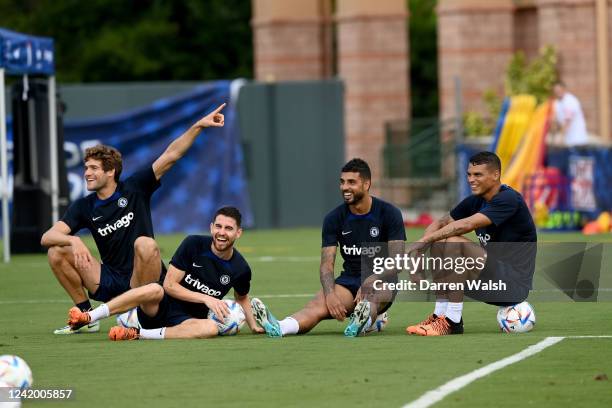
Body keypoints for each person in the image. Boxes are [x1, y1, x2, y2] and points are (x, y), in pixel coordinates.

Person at [41, 103, 226, 334]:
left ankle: (137, 313)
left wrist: (198, 125)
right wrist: (73, 240)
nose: (87, 173)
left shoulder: (135, 188)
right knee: (56, 250)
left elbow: (172, 155)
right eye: (86, 168)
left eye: (93, 168)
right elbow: (47, 237)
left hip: (145, 280)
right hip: (109, 278)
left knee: (145, 243)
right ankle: (85, 316)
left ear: (110, 172)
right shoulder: (84, 206)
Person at [251, 158, 406, 337]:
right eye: (342, 182)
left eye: (351, 182)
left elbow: (398, 261)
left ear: (366, 184)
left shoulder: (389, 213)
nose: (345, 187)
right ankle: (280, 327)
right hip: (349, 281)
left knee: (371, 298)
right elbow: (327, 264)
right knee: (317, 305)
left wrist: (371, 279)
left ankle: (364, 319)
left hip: (382, 279)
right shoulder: (334, 218)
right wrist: (330, 293)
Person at [66, 206, 264, 340]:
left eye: (228, 228)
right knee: (154, 288)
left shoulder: (241, 268)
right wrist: (206, 298)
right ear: (211, 227)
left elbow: (242, 297)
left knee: (210, 329)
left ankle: (137, 334)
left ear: (238, 233)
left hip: (186, 321)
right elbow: (169, 285)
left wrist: (253, 325)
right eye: (218, 226)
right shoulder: (193, 244)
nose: (222, 232)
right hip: (159, 307)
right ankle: (89, 317)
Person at [404, 151, 537, 336]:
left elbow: (466, 225)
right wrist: (419, 251)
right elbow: (441, 223)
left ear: (495, 175)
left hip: (513, 287)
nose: (471, 179)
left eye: (478, 175)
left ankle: (452, 322)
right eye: (469, 174)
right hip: (487, 283)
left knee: (453, 241)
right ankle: (439, 316)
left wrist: (422, 242)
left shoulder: (509, 199)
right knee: (440, 240)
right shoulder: (476, 201)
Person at [552, 81, 588, 147]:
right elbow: (555, 120)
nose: (558, 92)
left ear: (564, 89)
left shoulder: (570, 101)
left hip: (577, 140)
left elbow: (567, 120)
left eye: (559, 90)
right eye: (556, 91)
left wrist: (560, 137)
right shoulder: (556, 103)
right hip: (567, 140)